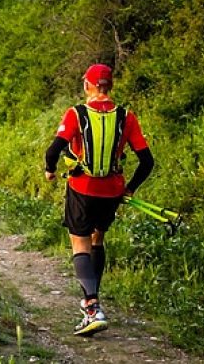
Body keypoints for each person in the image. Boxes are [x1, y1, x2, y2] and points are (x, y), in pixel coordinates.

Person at [43, 64, 154, 337]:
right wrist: (130, 188)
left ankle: (92, 308)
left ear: (87, 85)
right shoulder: (127, 117)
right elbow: (147, 161)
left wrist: (50, 171)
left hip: (82, 187)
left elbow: (53, 149)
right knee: (97, 240)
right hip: (112, 192)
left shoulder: (76, 114)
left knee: (79, 243)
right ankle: (93, 300)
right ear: (110, 86)